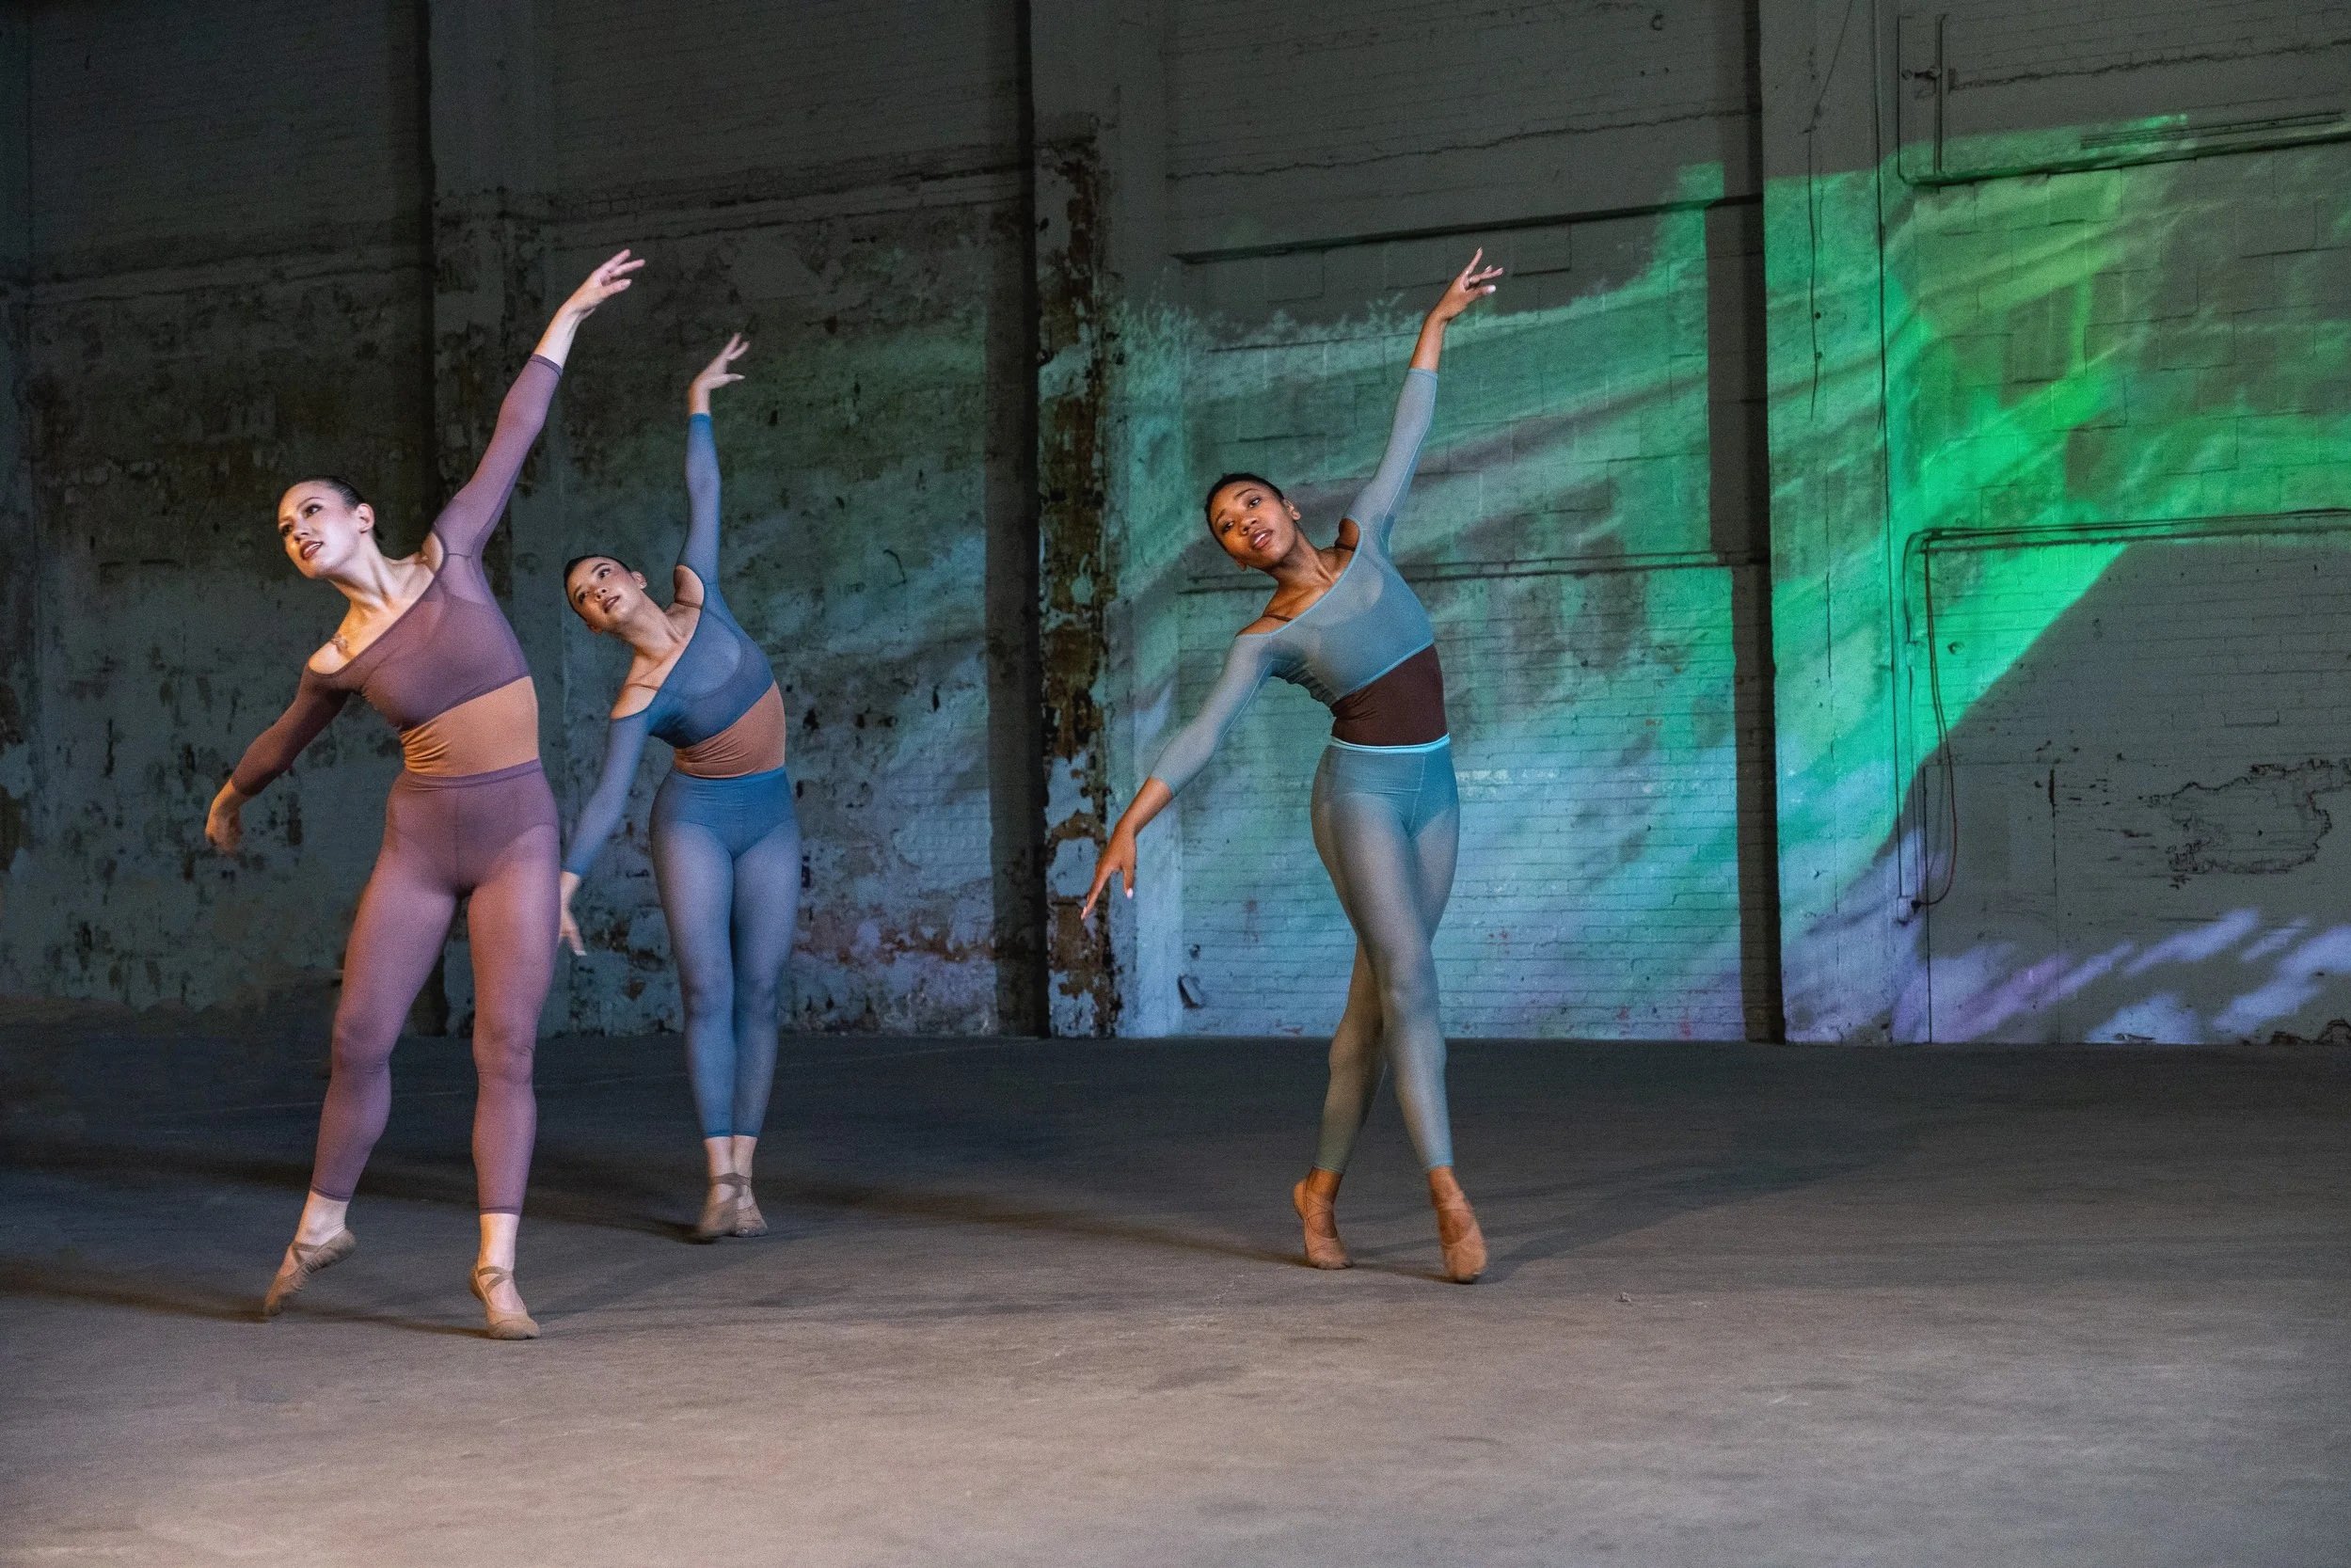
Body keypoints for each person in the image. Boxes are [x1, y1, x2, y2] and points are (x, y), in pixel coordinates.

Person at [207, 250, 644, 1338]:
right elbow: (283, 741)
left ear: (361, 515)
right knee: (358, 1037)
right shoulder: (336, 659)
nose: (298, 529)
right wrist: (231, 792)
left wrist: (564, 320)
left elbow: (515, 431)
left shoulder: (452, 554)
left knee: (507, 1045)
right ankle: (320, 1224)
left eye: (311, 509)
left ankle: (496, 1267)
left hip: (515, 836)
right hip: (420, 841)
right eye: (284, 528)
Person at [1082, 252, 1504, 1283]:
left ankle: (1318, 1189)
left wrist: (1435, 321)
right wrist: (1129, 820)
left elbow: (1410, 430)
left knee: (1371, 1012)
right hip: (1358, 796)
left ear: (1287, 505)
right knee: (1413, 980)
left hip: (1436, 790)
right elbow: (1201, 735)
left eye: (1252, 505)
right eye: (1227, 527)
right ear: (1232, 554)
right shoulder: (1265, 637)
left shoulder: (1371, 538)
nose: (1244, 524)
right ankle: (1450, 1195)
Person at [558, 335, 800, 1243]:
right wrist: (565, 882)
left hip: (770, 814)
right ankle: (717, 1178)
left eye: (601, 575)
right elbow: (605, 800)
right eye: (584, 598)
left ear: (628, 572)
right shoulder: (637, 699)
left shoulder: (703, 590)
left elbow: (705, 489)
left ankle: (749, 1172)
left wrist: (697, 393)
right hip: (695, 821)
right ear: (592, 622)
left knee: (764, 991)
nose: (598, 593)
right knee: (708, 990)